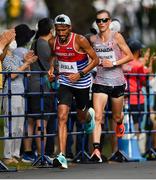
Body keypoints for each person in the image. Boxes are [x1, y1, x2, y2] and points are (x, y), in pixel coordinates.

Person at [48, 14, 99, 169]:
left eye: (64, 30)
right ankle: (62, 155)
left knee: (81, 117)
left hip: (82, 83)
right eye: (58, 30)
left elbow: (96, 60)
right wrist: (51, 68)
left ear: (69, 28)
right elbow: (53, 55)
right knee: (62, 116)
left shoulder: (80, 40)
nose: (61, 33)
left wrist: (81, 74)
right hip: (65, 82)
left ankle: (89, 114)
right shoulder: (53, 41)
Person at [89, 9, 133, 162]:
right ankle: (96, 150)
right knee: (98, 117)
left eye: (104, 20)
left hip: (117, 82)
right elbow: (91, 58)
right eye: (99, 21)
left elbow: (130, 55)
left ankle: (120, 123)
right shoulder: (93, 40)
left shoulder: (116, 37)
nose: (101, 23)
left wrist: (113, 62)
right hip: (100, 81)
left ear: (109, 22)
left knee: (116, 116)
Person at [22, 17, 54, 163]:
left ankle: (28, 153)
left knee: (30, 121)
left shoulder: (34, 43)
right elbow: (53, 66)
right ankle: (42, 156)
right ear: (51, 30)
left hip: (31, 85)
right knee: (42, 122)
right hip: (43, 87)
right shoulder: (46, 45)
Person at [2, 36, 37, 165]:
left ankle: (15, 154)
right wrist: (26, 63)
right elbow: (12, 75)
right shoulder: (4, 58)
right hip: (11, 93)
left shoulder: (16, 58)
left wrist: (27, 61)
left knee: (19, 126)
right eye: (11, 40)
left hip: (20, 93)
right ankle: (7, 155)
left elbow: (27, 73)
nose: (14, 42)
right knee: (10, 126)